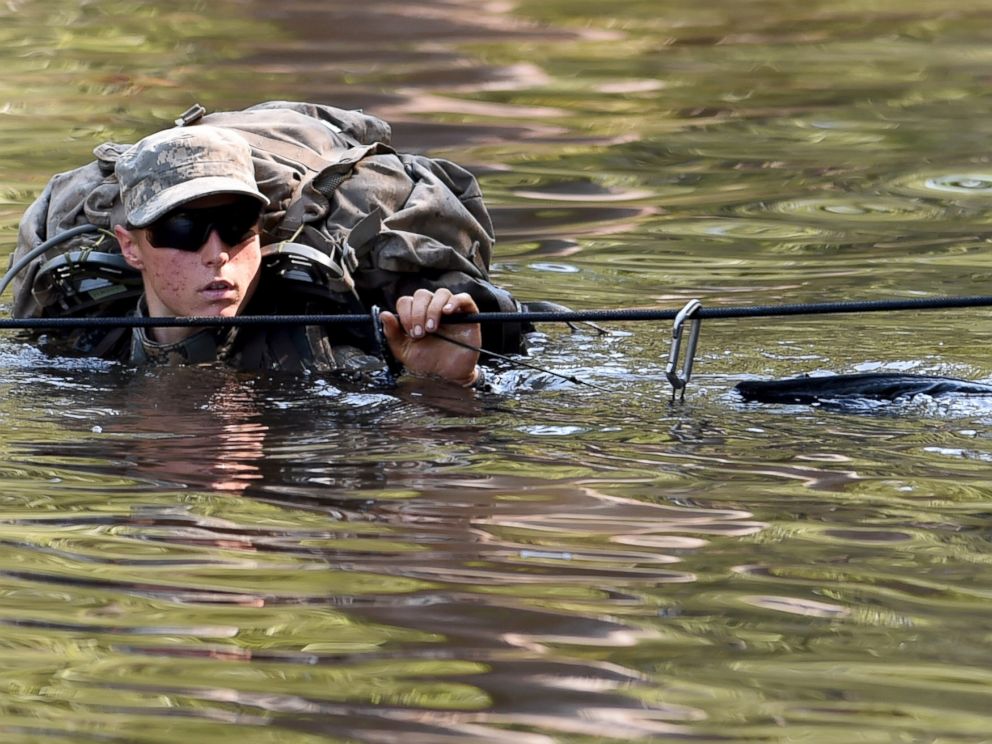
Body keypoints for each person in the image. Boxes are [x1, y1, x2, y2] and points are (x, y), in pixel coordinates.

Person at [107, 124, 484, 386]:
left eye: (237, 225)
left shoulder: (321, 356)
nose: (217, 254)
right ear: (130, 246)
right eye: (183, 229)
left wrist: (445, 381)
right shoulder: (87, 341)